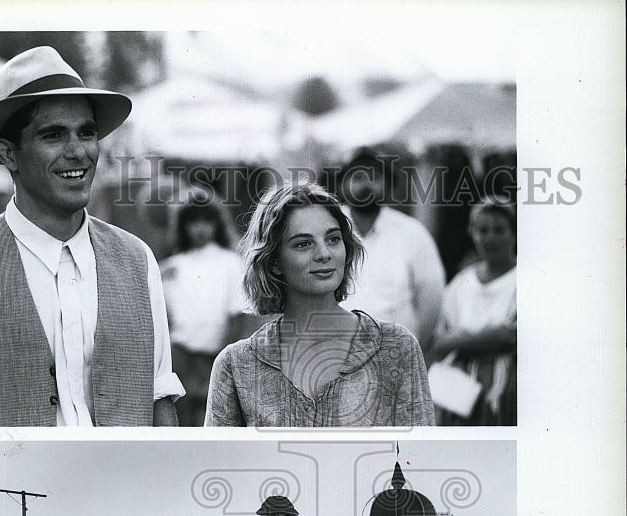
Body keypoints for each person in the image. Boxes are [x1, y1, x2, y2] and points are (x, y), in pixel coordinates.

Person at [0, 45, 183, 427]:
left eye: (86, 133)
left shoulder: (137, 258)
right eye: (53, 135)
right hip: (12, 488)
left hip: (124, 485)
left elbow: (159, 401)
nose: (78, 151)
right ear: (9, 154)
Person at [204, 183, 435, 427]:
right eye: (303, 243)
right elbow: (216, 463)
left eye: (333, 239)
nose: (324, 253)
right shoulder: (237, 364)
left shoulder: (396, 347)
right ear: (274, 262)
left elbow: (420, 460)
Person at [338, 147, 445, 354]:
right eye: (358, 177)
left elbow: (432, 299)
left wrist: (412, 352)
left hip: (394, 358)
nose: (366, 185)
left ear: (388, 186)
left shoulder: (412, 232)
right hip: (334, 358)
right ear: (341, 184)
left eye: (375, 177)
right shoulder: (325, 228)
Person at [428, 196, 517, 426]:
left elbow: (511, 335)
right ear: (472, 232)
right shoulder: (461, 283)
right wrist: (490, 336)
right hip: (456, 395)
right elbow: (438, 342)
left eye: (499, 230)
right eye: (483, 230)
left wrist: (461, 339)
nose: (491, 238)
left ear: (513, 232)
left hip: (507, 392)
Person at [160, 201, 247, 426]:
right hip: (180, 355)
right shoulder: (172, 266)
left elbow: (237, 313)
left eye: (206, 221)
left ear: (216, 224)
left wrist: (226, 356)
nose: (199, 228)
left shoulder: (231, 263)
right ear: (183, 226)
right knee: (182, 421)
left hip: (217, 354)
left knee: (215, 419)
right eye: (193, 222)